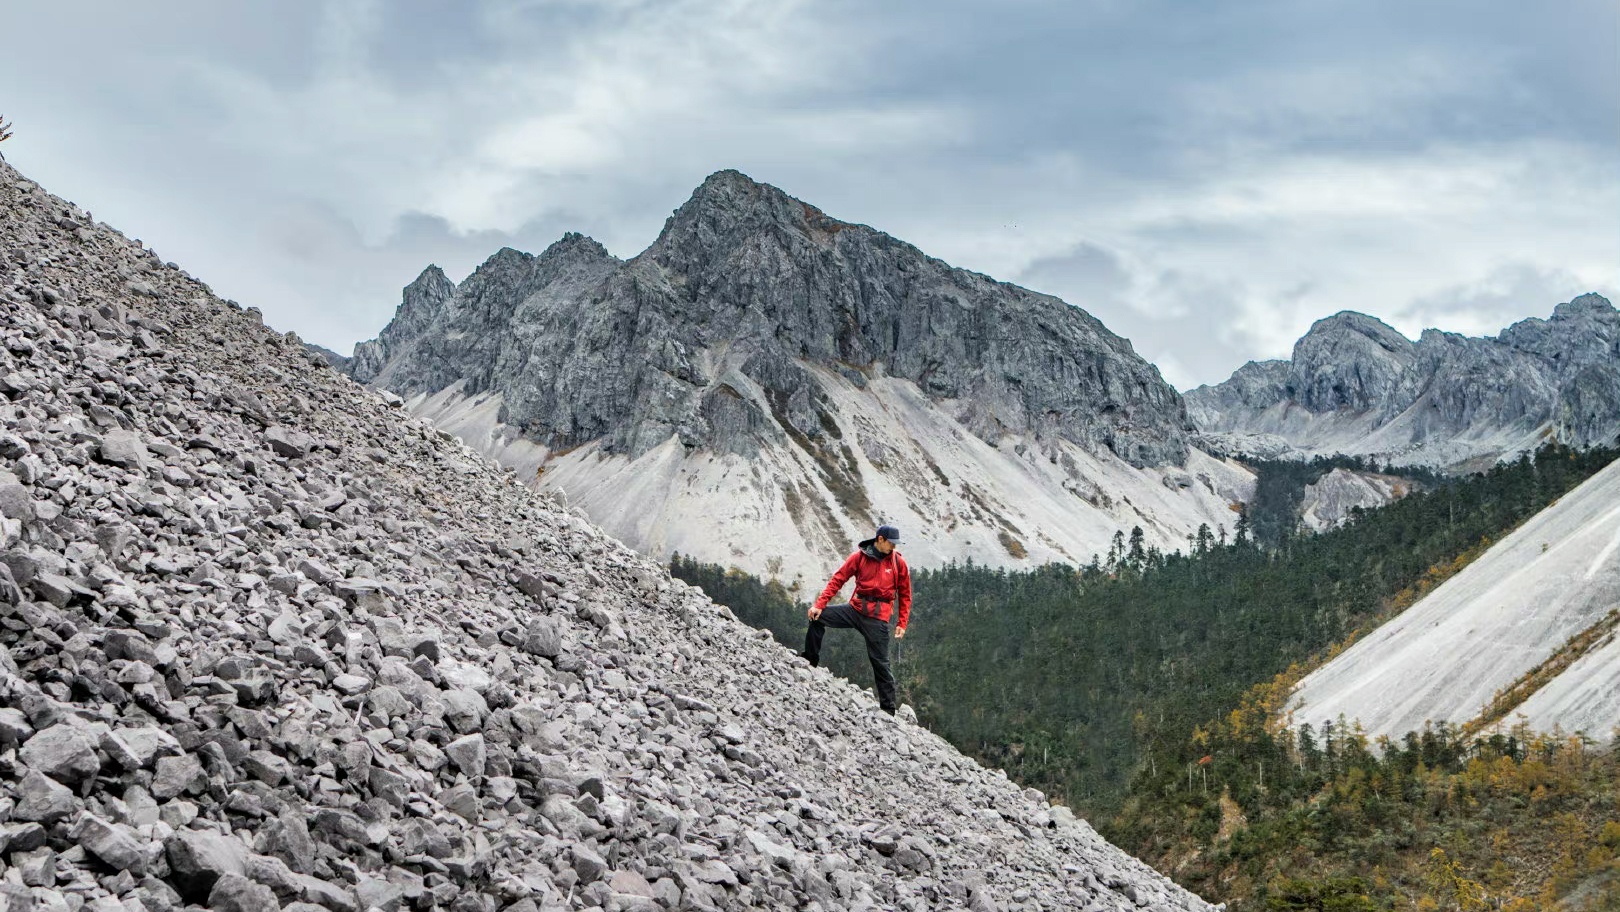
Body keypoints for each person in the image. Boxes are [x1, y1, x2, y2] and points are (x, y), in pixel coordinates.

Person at [801, 524, 912, 714]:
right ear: (880, 539)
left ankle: (888, 710)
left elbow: (905, 594)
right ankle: (808, 662)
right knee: (818, 617)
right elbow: (838, 579)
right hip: (855, 609)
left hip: (878, 618)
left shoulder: (898, 563)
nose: (894, 547)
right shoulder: (859, 557)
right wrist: (819, 604)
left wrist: (902, 622)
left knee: (881, 663)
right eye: (891, 543)